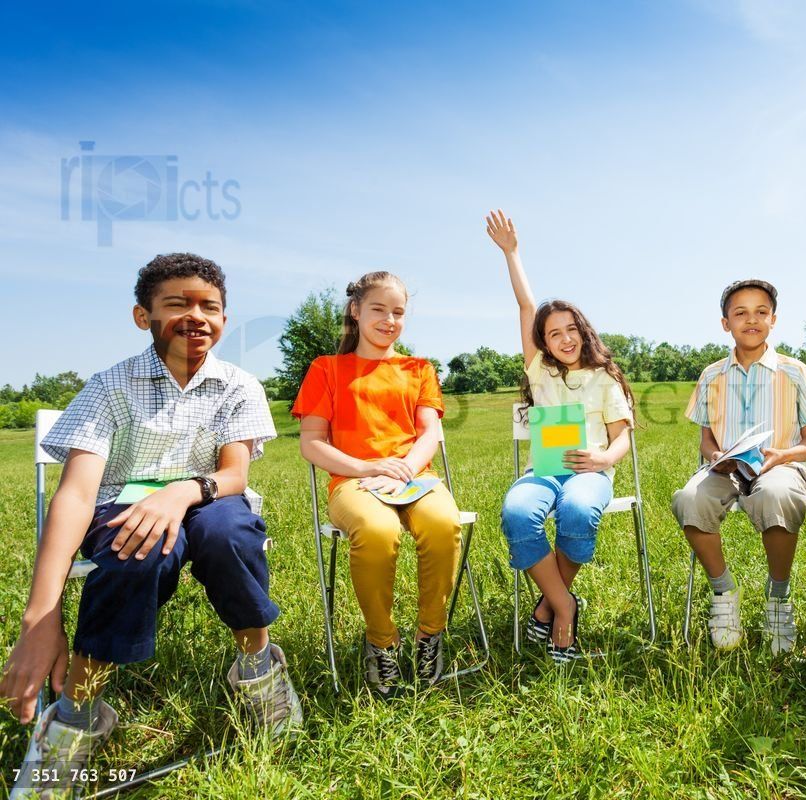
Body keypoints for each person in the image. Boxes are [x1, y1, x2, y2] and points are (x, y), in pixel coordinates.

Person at [2, 253, 301, 798]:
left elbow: (233, 474)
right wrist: (39, 617)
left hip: (210, 498)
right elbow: (77, 492)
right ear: (143, 316)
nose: (195, 316)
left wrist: (182, 491)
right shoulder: (109, 387)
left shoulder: (237, 384)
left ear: (224, 320)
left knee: (230, 534)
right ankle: (78, 713)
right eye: (176, 304)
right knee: (137, 550)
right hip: (121, 504)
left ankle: (258, 669)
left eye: (209, 306)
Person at [294, 271, 461, 691]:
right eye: (379, 309)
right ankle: (382, 643)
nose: (390, 320)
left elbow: (429, 434)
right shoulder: (327, 369)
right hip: (354, 481)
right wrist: (370, 468)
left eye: (398, 312)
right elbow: (312, 444)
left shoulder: (418, 368)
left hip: (414, 477)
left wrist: (404, 467)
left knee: (444, 524)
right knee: (376, 528)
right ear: (356, 311)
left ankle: (430, 635)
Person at [486, 209, 635, 663]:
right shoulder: (540, 372)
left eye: (571, 329)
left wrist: (605, 460)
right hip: (543, 470)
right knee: (517, 512)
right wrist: (512, 253)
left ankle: (553, 610)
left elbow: (622, 437)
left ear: (583, 331)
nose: (564, 338)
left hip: (589, 471)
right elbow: (526, 307)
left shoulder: (605, 378)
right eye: (554, 333)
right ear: (543, 342)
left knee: (576, 510)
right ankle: (565, 602)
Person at [671, 279, 806, 654]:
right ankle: (724, 592)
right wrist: (714, 457)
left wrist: (781, 456)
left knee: (774, 493)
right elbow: (706, 439)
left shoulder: (793, 372)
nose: (751, 320)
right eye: (740, 313)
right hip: (727, 470)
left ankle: (778, 598)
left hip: (782, 465)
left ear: (774, 319)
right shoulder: (712, 375)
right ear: (725, 323)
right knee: (688, 500)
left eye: (761, 312)